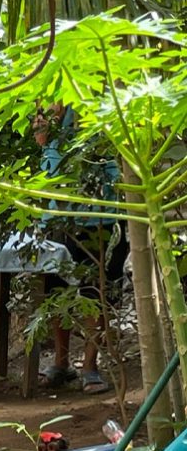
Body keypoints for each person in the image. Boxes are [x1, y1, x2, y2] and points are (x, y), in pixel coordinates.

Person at [34, 105, 129, 395]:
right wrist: (47, 120)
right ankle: (61, 363)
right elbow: (41, 142)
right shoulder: (48, 100)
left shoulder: (99, 99)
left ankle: (91, 366)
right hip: (58, 216)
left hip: (99, 218)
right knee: (54, 292)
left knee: (95, 293)